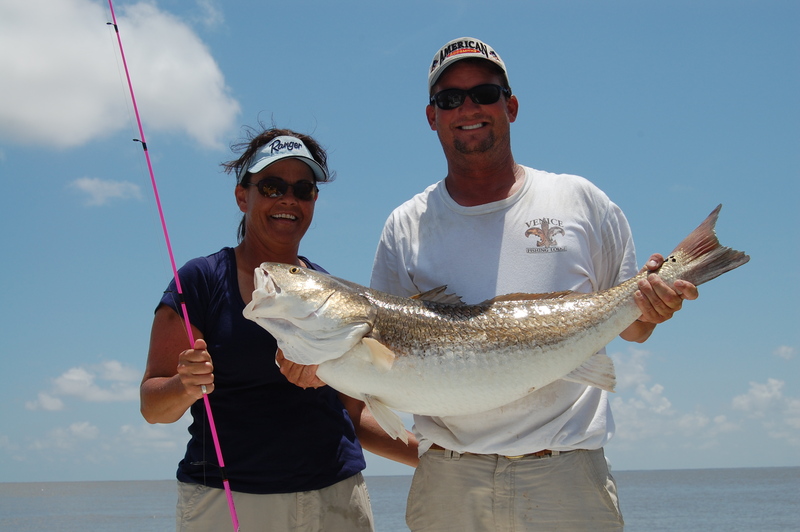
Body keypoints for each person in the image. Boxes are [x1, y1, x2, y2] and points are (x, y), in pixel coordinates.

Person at [366, 38, 699, 531]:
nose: (468, 108)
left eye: (484, 92)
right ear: (432, 116)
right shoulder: (405, 225)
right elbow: (385, 353)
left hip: (567, 477)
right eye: (450, 99)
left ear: (511, 106)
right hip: (449, 483)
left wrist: (652, 304)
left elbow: (632, 330)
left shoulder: (580, 200)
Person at [140, 127, 418, 532]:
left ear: (313, 202)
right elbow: (152, 407)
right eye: (271, 186)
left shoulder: (329, 288)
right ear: (242, 196)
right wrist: (184, 385)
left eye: (303, 189)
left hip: (336, 499)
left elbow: (354, 417)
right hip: (228, 502)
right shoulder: (200, 280)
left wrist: (440, 457)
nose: (288, 198)